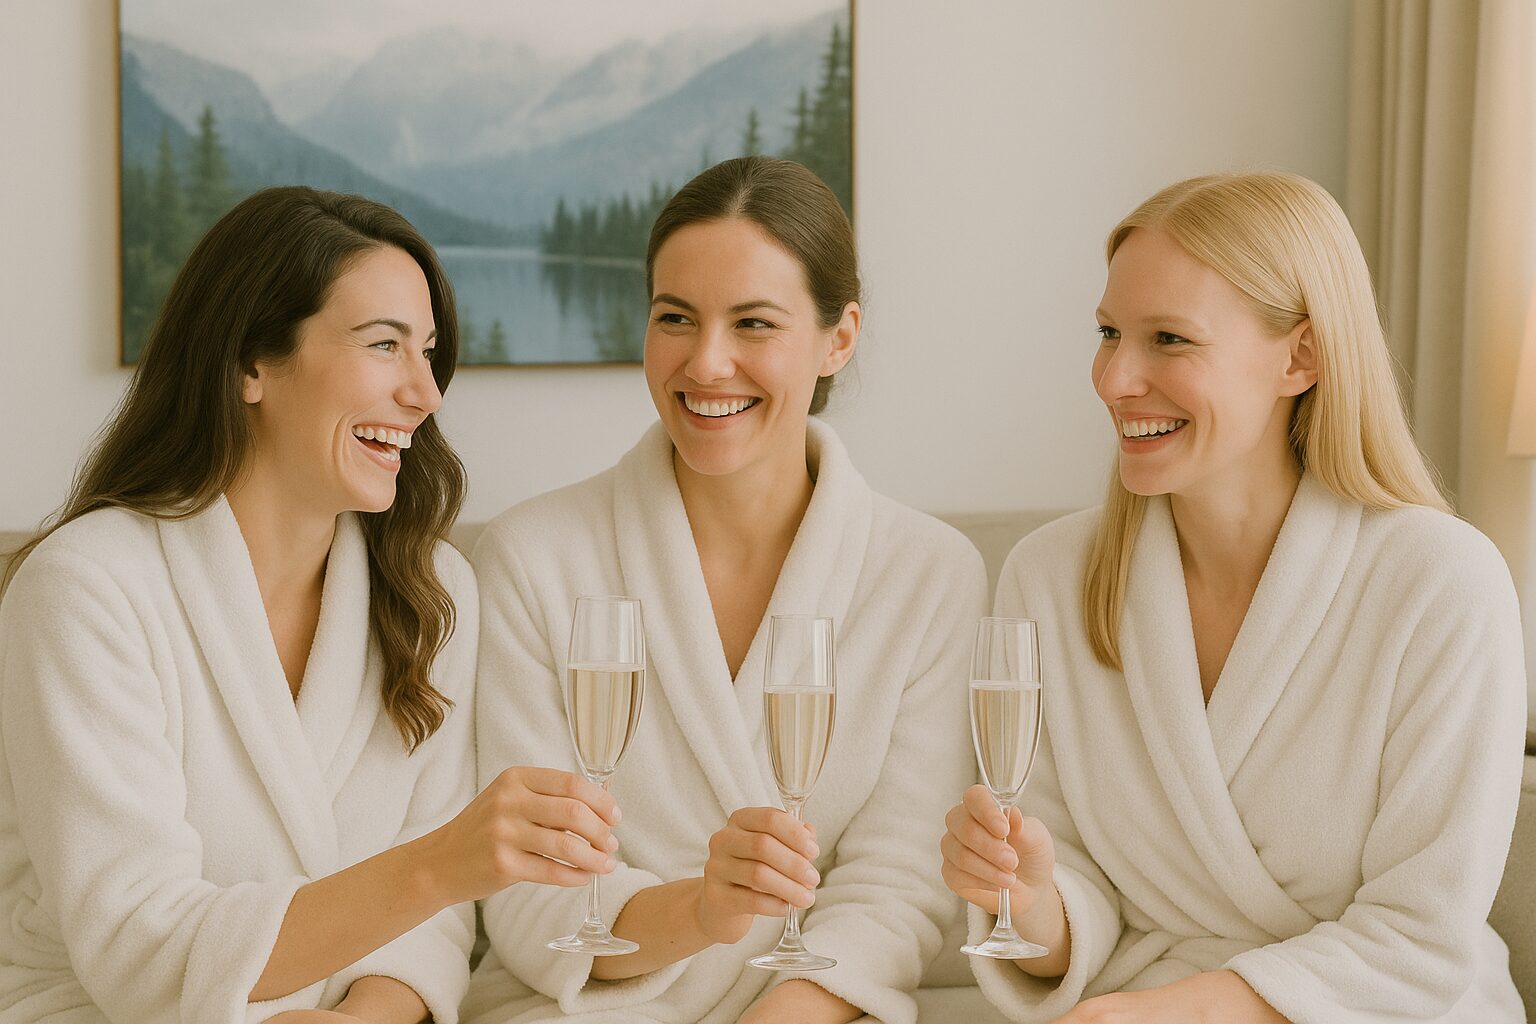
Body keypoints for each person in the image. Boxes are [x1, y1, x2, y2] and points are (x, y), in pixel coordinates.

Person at [0, 187, 620, 1024]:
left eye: (427, 350)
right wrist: (440, 863)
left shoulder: (432, 593)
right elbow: (139, 947)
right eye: (383, 345)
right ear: (251, 363)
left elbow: (430, 931)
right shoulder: (87, 590)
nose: (426, 393)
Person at [939, 171, 1528, 1023]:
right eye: (1109, 334)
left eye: (1170, 339)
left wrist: (1179, 1011)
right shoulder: (1050, 578)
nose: (1114, 380)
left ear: (1302, 356)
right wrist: (1031, 897)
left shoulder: (1441, 583)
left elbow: (1423, 934)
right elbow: (1078, 901)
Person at [464, 156, 987, 1024]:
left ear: (839, 337)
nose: (707, 364)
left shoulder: (929, 574)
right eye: (676, 318)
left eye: (753, 323)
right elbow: (528, 888)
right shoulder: (533, 557)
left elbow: (898, 883)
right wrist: (700, 914)